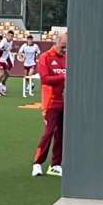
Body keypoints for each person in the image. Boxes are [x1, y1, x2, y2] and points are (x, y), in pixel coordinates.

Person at [32, 32, 67, 177]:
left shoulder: (66, 58)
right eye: (63, 46)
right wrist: (63, 76)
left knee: (61, 134)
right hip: (51, 103)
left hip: (65, 102)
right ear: (57, 42)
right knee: (49, 132)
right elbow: (45, 79)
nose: (65, 49)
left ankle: (56, 164)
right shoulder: (45, 57)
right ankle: (37, 163)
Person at [0, 31, 15, 97]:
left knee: (7, 75)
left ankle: (0, 86)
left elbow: (8, 50)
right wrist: (4, 49)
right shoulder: (3, 41)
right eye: (10, 36)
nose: (11, 37)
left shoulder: (11, 42)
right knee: (1, 73)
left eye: (12, 36)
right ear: (7, 35)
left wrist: (11, 49)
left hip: (3, 60)